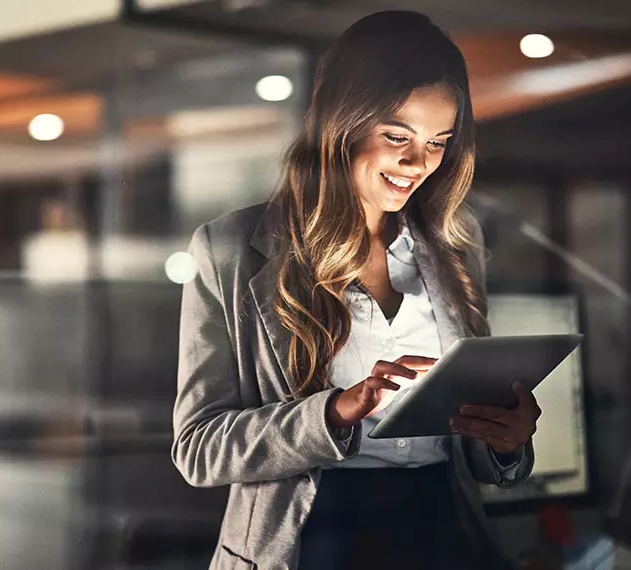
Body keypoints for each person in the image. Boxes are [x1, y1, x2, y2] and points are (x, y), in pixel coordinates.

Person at [172, 10, 542, 570]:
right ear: (341, 123)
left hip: (439, 532)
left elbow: (473, 450)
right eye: (397, 136)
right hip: (311, 540)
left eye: (438, 141)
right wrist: (332, 414)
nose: (419, 164)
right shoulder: (229, 249)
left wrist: (505, 441)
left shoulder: (457, 250)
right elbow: (199, 449)